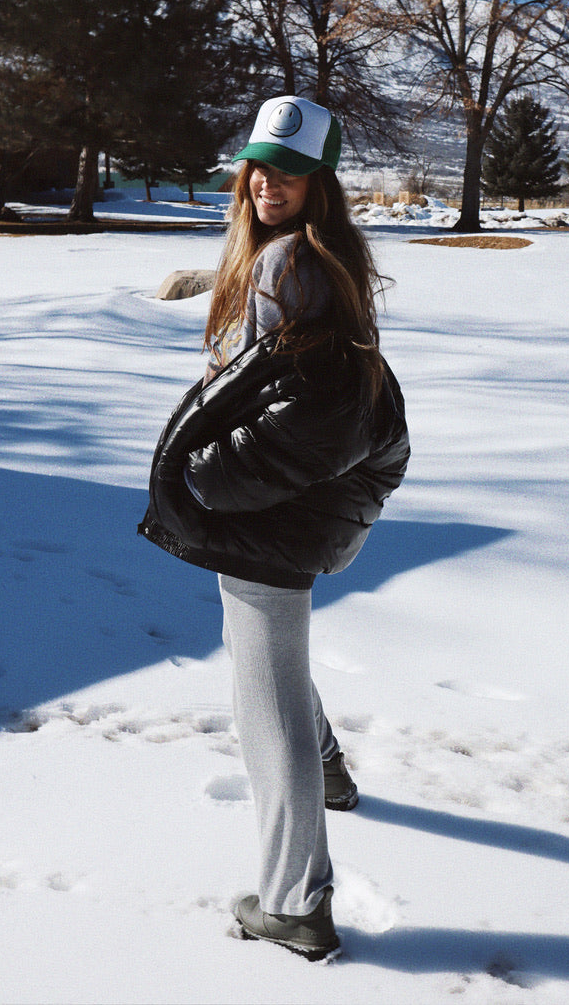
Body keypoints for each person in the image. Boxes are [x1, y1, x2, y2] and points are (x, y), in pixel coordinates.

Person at [139, 95, 410, 960]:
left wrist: (204, 478)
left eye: (291, 170)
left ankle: (294, 901)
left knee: (263, 697)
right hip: (293, 499)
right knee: (272, 660)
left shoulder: (289, 265)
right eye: (261, 164)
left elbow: (310, 415)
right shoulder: (314, 259)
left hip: (275, 506)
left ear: (320, 184)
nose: (269, 182)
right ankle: (326, 765)